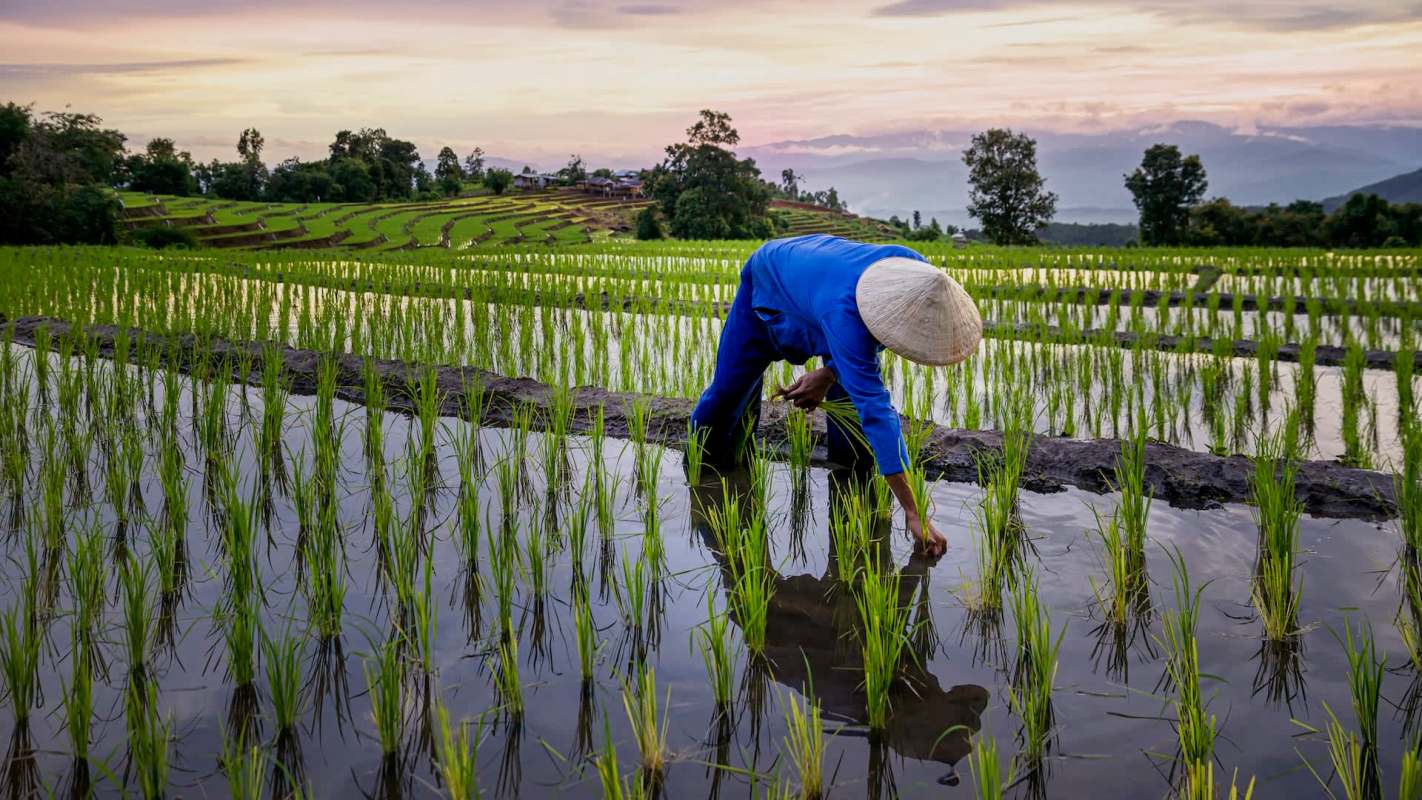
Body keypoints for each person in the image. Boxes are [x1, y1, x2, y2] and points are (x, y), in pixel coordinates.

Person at [689, 234, 981, 557]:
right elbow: (876, 412)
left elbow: (874, 337)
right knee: (727, 398)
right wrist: (915, 512)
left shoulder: (916, 273)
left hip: (824, 291)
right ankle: (702, 468)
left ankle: (851, 483)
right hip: (769, 281)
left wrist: (828, 373)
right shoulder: (844, 315)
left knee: (851, 420)